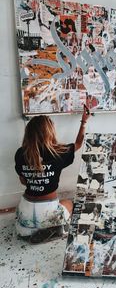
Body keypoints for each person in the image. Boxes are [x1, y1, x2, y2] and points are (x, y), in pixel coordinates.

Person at [14, 104, 91, 243]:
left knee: (27, 221)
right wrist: (84, 121)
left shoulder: (20, 153)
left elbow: (23, 181)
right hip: (48, 210)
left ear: (29, 133)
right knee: (68, 203)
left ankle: (31, 231)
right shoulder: (58, 153)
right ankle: (52, 228)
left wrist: (35, 176)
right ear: (50, 132)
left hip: (25, 212)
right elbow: (78, 144)